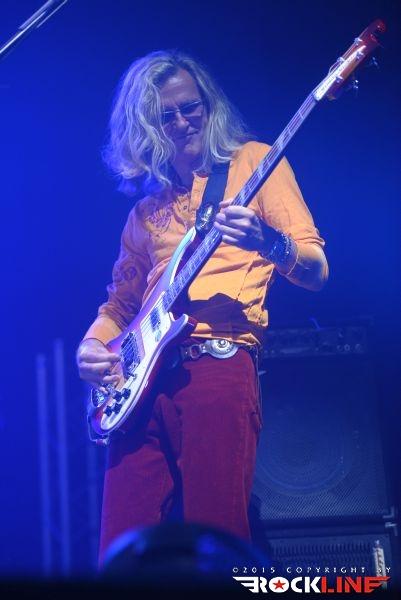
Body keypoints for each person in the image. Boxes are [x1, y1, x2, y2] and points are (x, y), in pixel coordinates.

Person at [76, 50, 328, 563]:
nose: (182, 122)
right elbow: (120, 305)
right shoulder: (144, 212)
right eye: (166, 115)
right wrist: (92, 345)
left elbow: (317, 270)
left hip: (218, 363)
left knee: (217, 539)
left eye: (190, 107)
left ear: (209, 105)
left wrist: (266, 240)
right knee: (121, 550)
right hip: (140, 385)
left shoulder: (256, 161)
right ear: (146, 127)